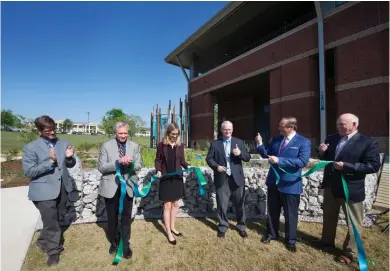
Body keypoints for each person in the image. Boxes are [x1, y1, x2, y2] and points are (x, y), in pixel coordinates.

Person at [316, 113, 380, 265]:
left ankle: (349, 253)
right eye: (338, 124)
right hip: (331, 186)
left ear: (355, 124)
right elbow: (325, 159)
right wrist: (321, 151)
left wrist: (347, 167)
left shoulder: (367, 143)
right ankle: (327, 242)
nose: (339, 127)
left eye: (342, 125)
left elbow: (373, 165)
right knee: (329, 217)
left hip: (350, 189)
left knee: (354, 223)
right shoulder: (332, 138)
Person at [22, 115, 76, 266]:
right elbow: (30, 172)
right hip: (43, 192)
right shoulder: (31, 147)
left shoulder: (64, 143)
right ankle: (53, 252)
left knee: (54, 219)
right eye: (47, 131)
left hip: (62, 189)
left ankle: (41, 241)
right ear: (39, 130)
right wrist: (51, 161)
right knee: (51, 223)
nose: (52, 133)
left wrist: (70, 158)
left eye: (53, 129)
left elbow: (70, 164)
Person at [256, 116, 311, 252]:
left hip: (290, 184)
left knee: (290, 214)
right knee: (272, 211)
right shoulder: (276, 139)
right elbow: (267, 155)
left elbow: (302, 162)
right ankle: (271, 234)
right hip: (274, 182)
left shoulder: (303, 142)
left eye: (281, 126)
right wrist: (260, 145)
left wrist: (280, 160)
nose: (278, 128)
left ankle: (290, 240)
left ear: (291, 127)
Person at [98, 122, 143, 259]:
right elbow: (101, 167)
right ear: (115, 133)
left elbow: (140, 165)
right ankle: (114, 242)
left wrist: (131, 163)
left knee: (125, 217)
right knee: (112, 217)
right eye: (120, 133)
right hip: (111, 187)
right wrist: (117, 163)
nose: (123, 136)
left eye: (125, 133)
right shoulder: (106, 146)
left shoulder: (134, 146)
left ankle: (126, 244)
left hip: (128, 187)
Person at [206, 120, 251, 239]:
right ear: (221, 130)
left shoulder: (239, 142)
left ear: (232, 130)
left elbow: (247, 157)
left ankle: (241, 226)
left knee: (239, 204)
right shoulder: (215, 144)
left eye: (230, 129)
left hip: (237, 178)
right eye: (225, 129)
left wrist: (240, 153)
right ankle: (222, 226)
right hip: (222, 178)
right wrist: (216, 166)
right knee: (222, 204)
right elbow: (209, 159)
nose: (228, 131)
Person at [154, 123, 189, 245]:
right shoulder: (161, 145)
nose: (175, 136)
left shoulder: (180, 146)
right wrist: (158, 170)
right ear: (168, 133)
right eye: (173, 134)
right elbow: (158, 160)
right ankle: (168, 231)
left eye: (177, 134)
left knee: (175, 204)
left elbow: (182, 161)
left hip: (177, 178)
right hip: (166, 178)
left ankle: (173, 227)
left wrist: (189, 166)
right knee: (167, 205)